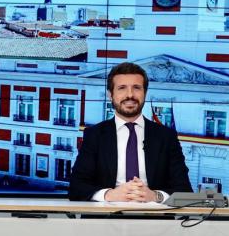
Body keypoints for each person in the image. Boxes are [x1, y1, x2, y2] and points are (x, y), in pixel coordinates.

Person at [69, 62, 192, 202]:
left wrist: (155, 196)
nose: (130, 95)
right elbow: (76, 187)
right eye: (122, 88)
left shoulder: (166, 136)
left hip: (154, 218)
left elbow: (185, 190)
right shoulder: (95, 135)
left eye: (137, 88)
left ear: (145, 93)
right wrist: (109, 195)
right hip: (104, 218)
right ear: (110, 95)